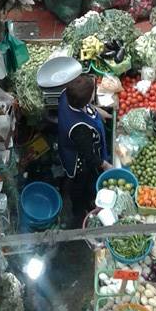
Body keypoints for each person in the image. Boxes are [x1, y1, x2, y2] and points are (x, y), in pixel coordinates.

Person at [58, 75, 112, 226]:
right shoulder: (79, 129)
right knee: (80, 184)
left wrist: (99, 112)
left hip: (69, 144)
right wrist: (107, 166)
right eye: (94, 92)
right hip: (78, 161)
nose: (95, 92)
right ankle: (79, 211)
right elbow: (90, 156)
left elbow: (86, 108)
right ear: (87, 99)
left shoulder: (66, 95)